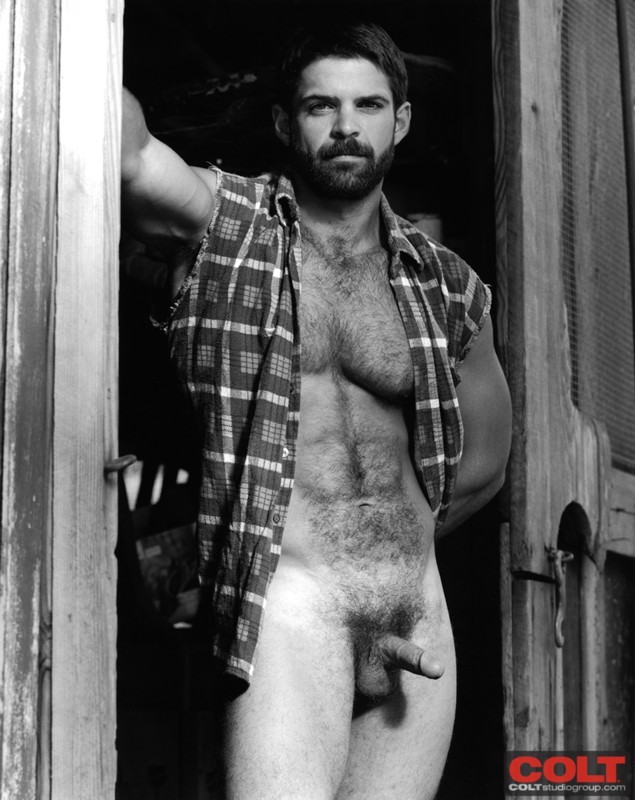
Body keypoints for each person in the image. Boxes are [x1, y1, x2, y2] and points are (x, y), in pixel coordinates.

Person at [121, 20, 512, 800]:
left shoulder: (449, 286)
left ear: (400, 120)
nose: (344, 126)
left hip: (415, 612)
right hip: (291, 611)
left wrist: (380, 557)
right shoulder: (227, 223)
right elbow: (126, 155)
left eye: (368, 105)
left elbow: (485, 465)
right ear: (282, 122)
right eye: (318, 106)